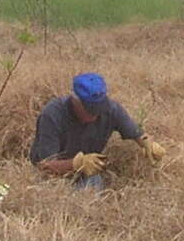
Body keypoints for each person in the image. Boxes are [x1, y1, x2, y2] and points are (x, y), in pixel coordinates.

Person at [29, 71, 159, 190]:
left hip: (86, 175)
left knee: (92, 185)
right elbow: (44, 167)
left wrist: (147, 143)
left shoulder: (110, 109)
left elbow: (136, 133)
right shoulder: (52, 115)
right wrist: (77, 164)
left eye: (98, 109)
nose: (94, 116)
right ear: (75, 101)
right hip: (52, 178)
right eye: (89, 110)